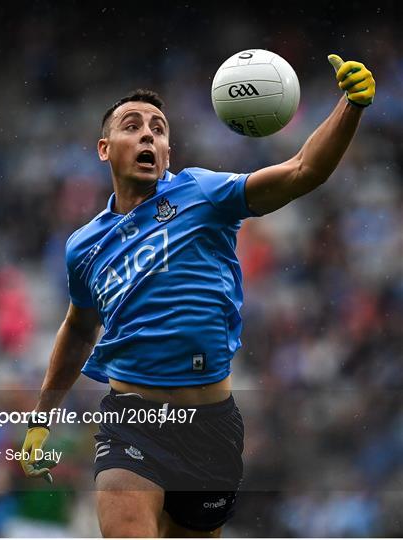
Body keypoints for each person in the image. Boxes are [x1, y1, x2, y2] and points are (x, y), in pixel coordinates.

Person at [20, 53, 375, 537]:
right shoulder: (83, 246)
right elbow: (79, 327)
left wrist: (351, 106)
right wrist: (41, 420)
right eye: (133, 125)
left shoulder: (203, 194)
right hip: (131, 421)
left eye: (159, 129)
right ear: (105, 149)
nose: (148, 133)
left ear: (167, 151)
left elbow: (301, 171)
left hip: (210, 428)